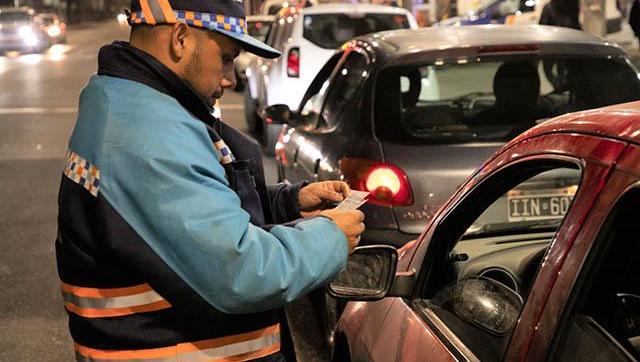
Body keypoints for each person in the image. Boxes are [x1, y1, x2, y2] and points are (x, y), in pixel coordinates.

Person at [55, 0, 365, 361]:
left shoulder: (127, 104)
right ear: (181, 38)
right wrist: (330, 236)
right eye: (227, 57)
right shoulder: (148, 135)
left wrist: (284, 203)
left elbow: (182, 212)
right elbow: (242, 271)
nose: (229, 79)